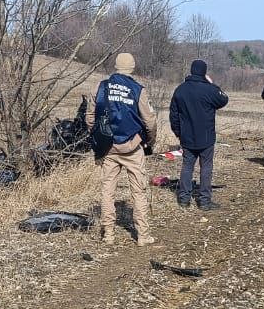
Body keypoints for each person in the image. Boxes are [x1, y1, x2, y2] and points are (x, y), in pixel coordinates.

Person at [86, 52, 158, 245]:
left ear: (116, 67)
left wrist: (97, 139)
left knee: (107, 191)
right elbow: (149, 121)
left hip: (108, 148)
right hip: (133, 147)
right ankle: (142, 235)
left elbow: (90, 118)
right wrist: (149, 142)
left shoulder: (100, 87)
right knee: (139, 191)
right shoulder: (138, 90)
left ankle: (108, 234)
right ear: (132, 67)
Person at [169, 59, 229, 210]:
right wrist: (212, 84)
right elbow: (224, 99)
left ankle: (184, 199)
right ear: (204, 72)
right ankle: (204, 201)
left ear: (191, 70)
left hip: (187, 137)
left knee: (187, 166)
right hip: (207, 137)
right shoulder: (209, 89)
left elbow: (173, 115)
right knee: (206, 167)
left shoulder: (180, 90)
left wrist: (178, 133)